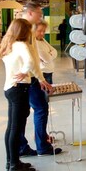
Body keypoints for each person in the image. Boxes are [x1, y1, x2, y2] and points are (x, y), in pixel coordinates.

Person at [16, 1, 55, 157]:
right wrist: (33, 75)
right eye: (39, 13)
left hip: (30, 78)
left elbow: (44, 56)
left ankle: (31, 145)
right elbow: (31, 59)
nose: (41, 16)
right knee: (39, 109)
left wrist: (39, 78)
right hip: (26, 79)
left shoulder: (28, 30)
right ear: (31, 13)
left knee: (26, 113)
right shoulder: (26, 30)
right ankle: (39, 147)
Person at [0, 18, 38, 171]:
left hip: (9, 88)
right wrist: (25, 71)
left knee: (11, 128)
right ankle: (15, 165)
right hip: (19, 88)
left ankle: (11, 161)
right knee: (17, 128)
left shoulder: (8, 45)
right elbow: (30, 62)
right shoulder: (21, 45)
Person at [32, 20, 62, 155]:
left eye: (44, 30)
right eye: (40, 30)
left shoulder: (42, 40)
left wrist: (50, 54)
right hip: (42, 76)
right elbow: (48, 58)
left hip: (46, 74)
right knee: (41, 109)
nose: (43, 33)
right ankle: (42, 143)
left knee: (43, 108)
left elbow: (54, 52)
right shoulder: (35, 43)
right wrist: (50, 54)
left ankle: (43, 138)